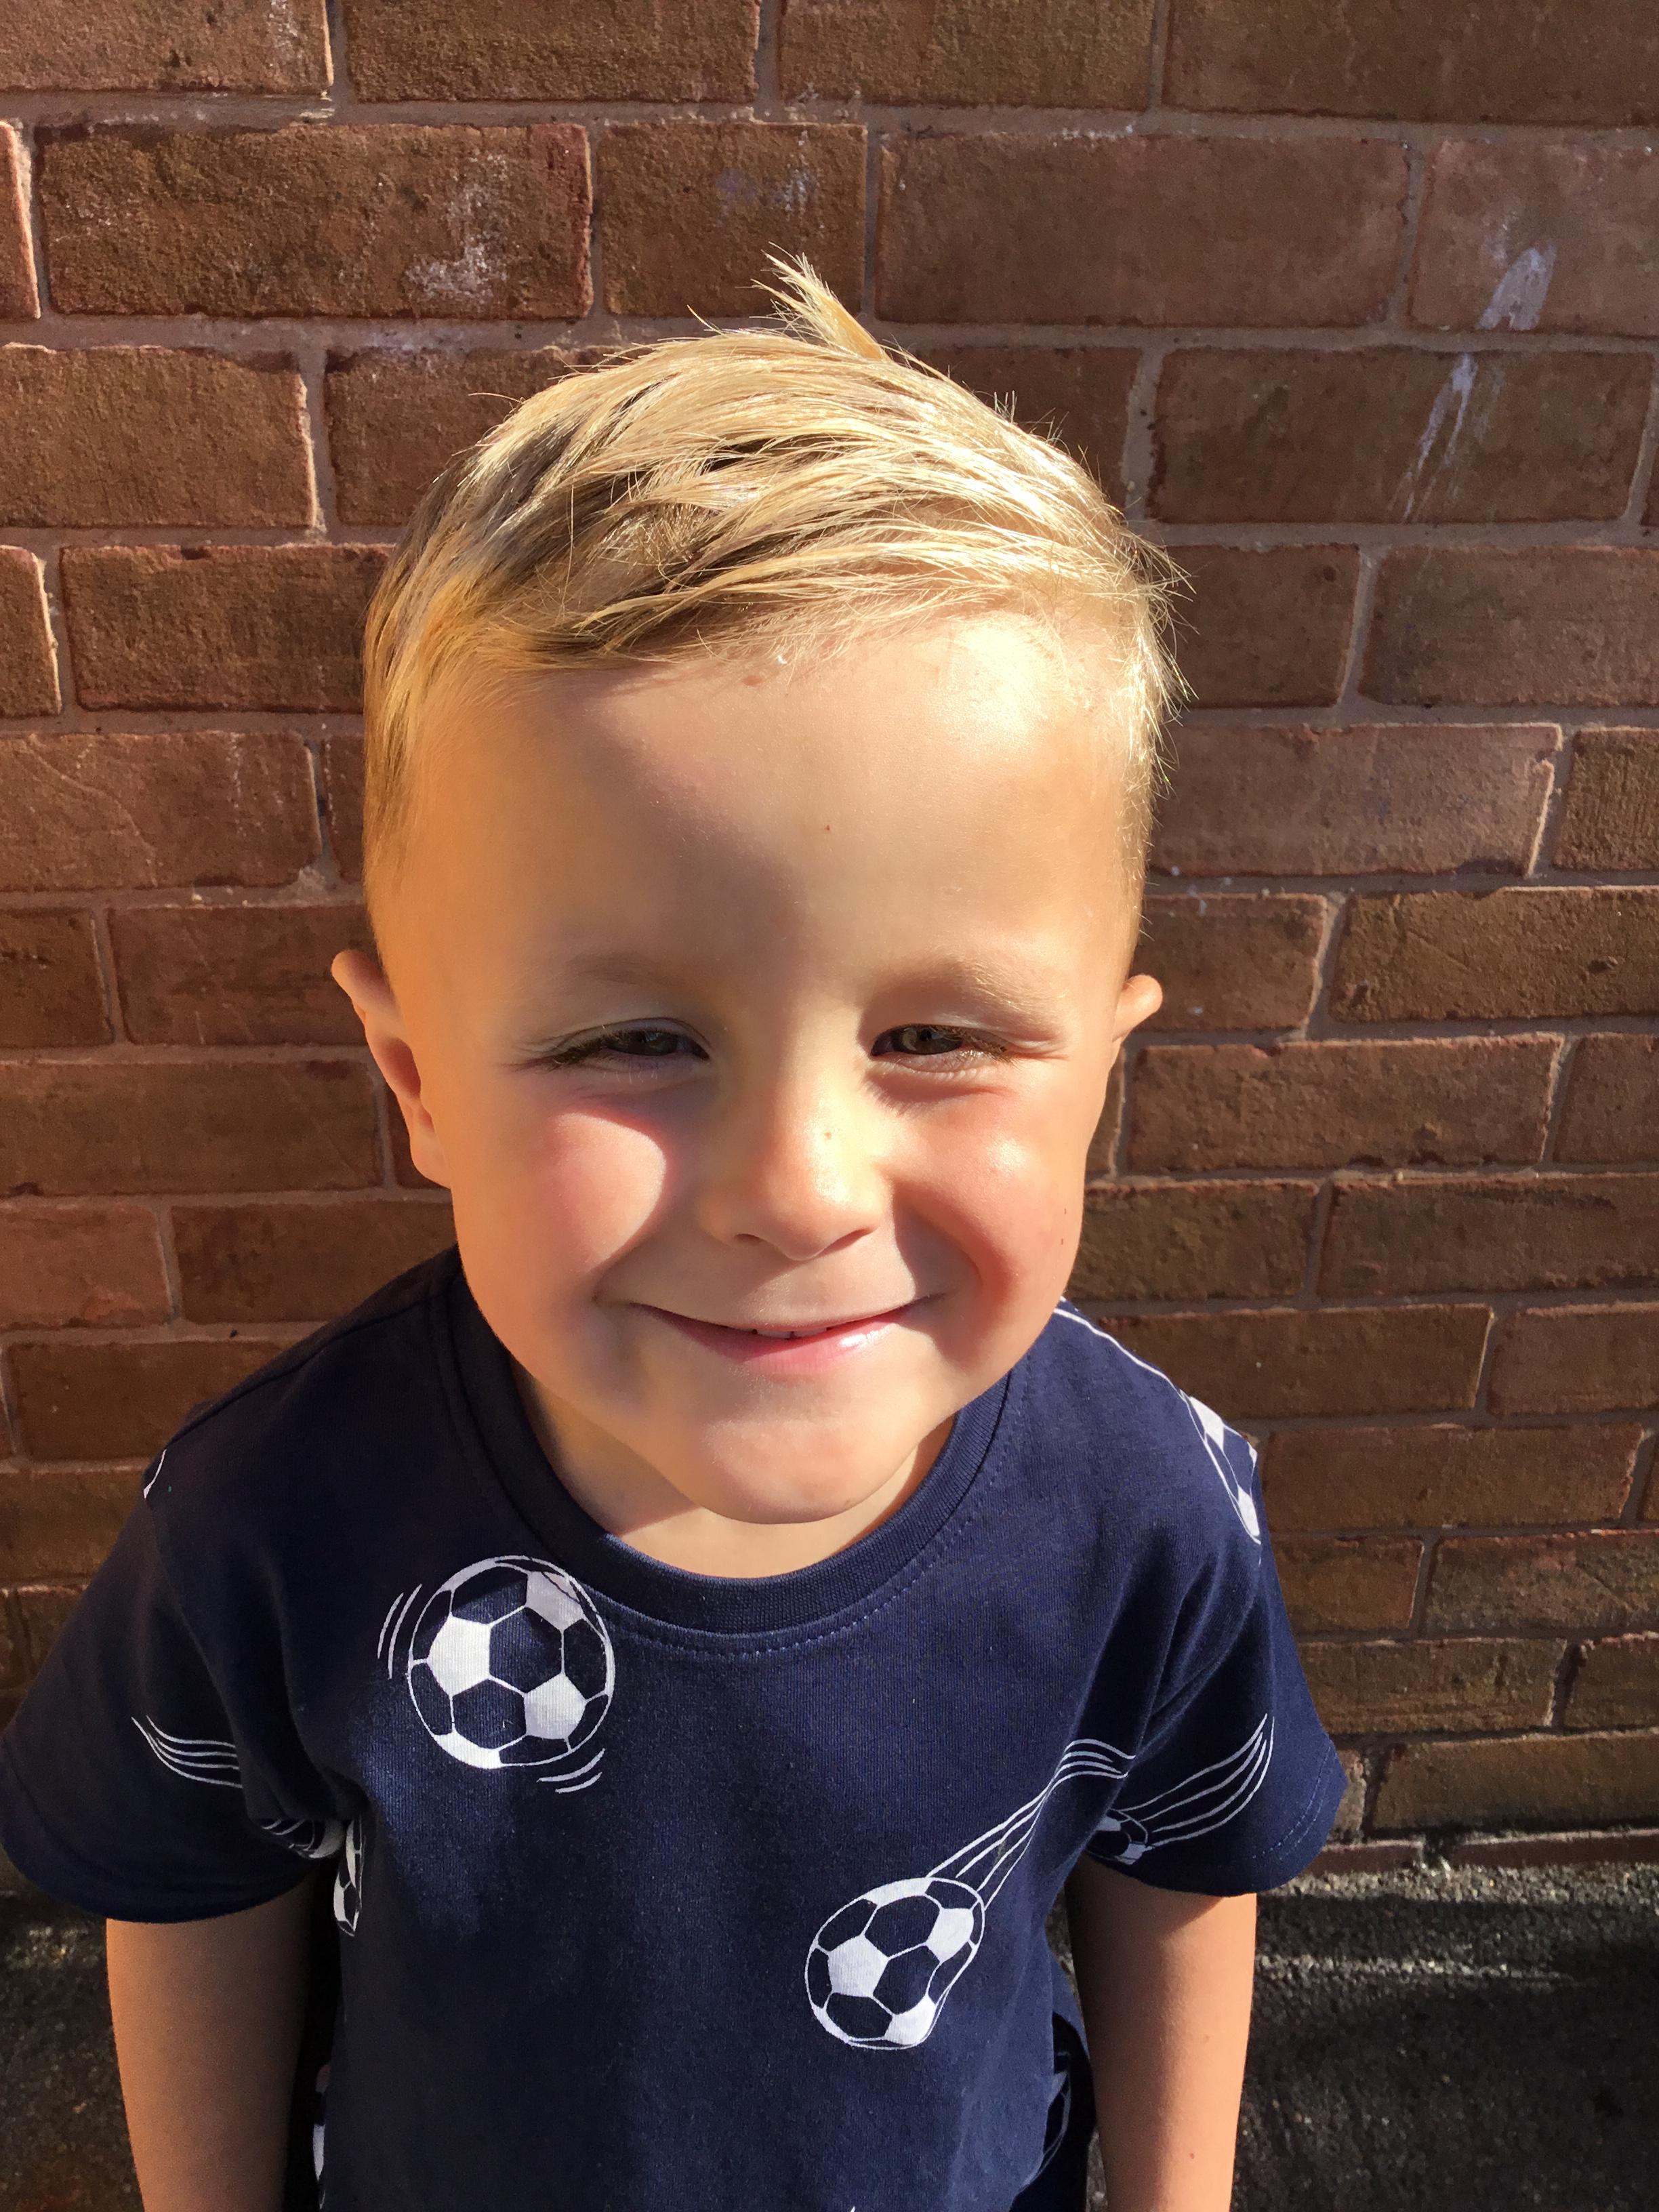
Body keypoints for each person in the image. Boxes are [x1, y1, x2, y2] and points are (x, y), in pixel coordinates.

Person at [0, 266, 1344, 2212]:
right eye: (633, 1040)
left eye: (935, 1039)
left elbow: (1186, 1865)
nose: (797, 1187)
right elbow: (189, 1887)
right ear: (417, 1079)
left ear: (1102, 1075)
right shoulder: (266, 1524)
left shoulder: (1152, 1507)